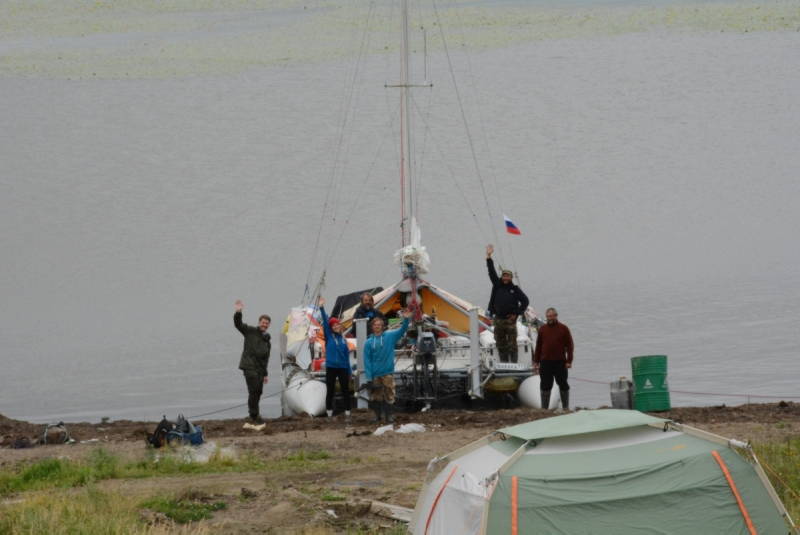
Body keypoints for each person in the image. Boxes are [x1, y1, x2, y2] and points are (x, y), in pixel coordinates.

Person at [363, 309, 410, 424]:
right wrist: (369, 378)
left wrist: (406, 319)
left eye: (380, 325)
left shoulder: (390, 336)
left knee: (390, 395)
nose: (377, 326)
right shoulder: (368, 342)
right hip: (375, 375)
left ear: (383, 326)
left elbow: (403, 330)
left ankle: (389, 417)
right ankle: (377, 416)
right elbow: (367, 360)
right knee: (375, 397)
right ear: (372, 327)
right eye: (375, 325)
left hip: (387, 373)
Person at [485, 244, 529, 363]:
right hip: (498, 319)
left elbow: (525, 301)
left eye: (507, 276)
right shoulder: (497, 285)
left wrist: (517, 313)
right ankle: (504, 364)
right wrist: (488, 257)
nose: (505, 278)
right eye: (504, 276)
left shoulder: (515, 289)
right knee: (500, 343)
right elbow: (491, 272)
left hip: (510, 320)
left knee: (512, 345)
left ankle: (514, 364)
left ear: (511, 278)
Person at [233, 300, 271, 423]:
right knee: (254, 390)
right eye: (263, 322)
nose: (264, 324)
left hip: (260, 370)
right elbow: (238, 324)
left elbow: (266, 359)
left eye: (267, 323)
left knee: (258, 392)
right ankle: (254, 415)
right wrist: (238, 311)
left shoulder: (267, 341)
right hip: (249, 367)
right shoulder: (250, 331)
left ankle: (255, 413)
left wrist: (265, 374)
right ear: (259, 322)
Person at [318, 297, 352, 420]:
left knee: (345, 391)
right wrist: (321, 307)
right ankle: (329, 413)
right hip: (331, 368)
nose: (337, 326)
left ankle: (348, 413)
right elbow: (326, 322)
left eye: (338, 324)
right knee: (330, 391)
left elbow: (347, 357)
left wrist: (349, 372)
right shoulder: (329, 337)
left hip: (343, 368)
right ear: (331, 328)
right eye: (334, 325)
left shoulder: (343, 340)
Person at [533, 307, 574, 411]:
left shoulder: (563, 328)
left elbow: (570, 346)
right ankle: (544, 409)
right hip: (545, 362)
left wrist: (569, 361)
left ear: (556, 316)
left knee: (563, 384)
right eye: (548, 317)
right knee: (545, 385)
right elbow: (538, 346)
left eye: (551, 316)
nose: (549, 318)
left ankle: (565, 407)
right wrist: (536, 361)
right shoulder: (542, 329)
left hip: (560, 362)